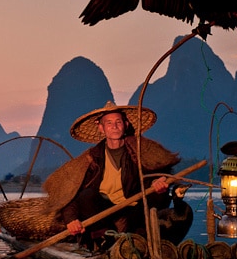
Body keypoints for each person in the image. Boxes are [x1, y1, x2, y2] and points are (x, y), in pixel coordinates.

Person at [44, 101, 190, 249]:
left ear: (125, 124)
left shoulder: (140, 151)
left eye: (118, 122)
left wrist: (158, 183)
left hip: (134, 211)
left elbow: (156, 174)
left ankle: (141, 238)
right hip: (104, 216)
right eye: (109, 123)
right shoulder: (91, 159)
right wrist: (71, 220)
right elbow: (70, 194)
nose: (114, 126)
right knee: (86, 196)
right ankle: (103, 241)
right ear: (101, 128)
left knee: (162, 198)